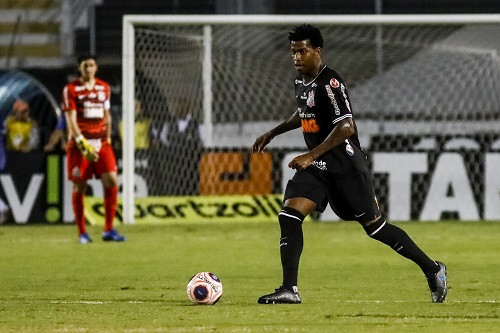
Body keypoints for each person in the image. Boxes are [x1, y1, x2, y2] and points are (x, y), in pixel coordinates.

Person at [252, 24, 447, 304]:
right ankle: (289, 289)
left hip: (347, 167)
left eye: (302, 51)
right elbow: (303, 113)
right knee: (289, 216)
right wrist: (273, 132)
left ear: (317, 51)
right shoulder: (301, 82)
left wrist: (311, 154)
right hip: (320, 169)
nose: (296, 57)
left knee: (376, 228)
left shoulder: (330, 82)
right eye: (293, 52)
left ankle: (433, 269)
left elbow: (346, 126)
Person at [62, 54, 125, 244]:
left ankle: (108, 229)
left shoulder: (104, 88)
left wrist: (108, 136)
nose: (89, 69)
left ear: (96, 68)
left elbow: (107, 114)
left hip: (101, 142)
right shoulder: (71, 89)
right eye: (85, 66)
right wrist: (80, 140)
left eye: (92, 65)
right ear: (79, 68)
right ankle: (82, 232)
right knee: (80, 185)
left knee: (112, 180)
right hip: (80, 145)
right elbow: (70, 117)